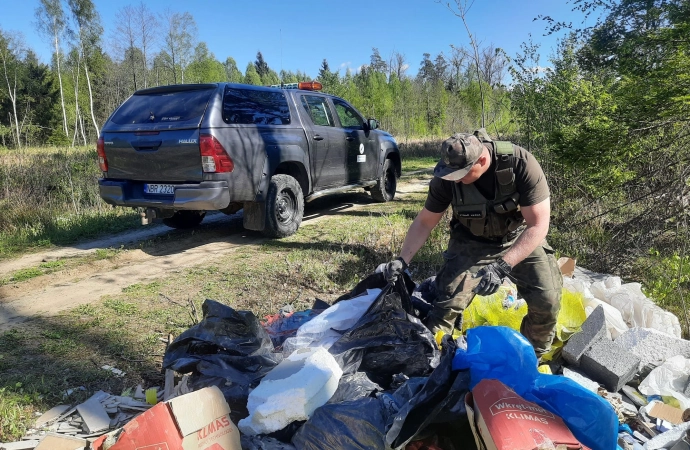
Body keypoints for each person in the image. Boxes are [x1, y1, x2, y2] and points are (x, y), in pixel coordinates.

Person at [384, 130, 563, 357]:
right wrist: (403, 259)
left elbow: (538, 225)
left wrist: (502, 266)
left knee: (547, 301)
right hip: (470, 240)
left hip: (519, 237)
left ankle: (529, 360)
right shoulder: (447, 177)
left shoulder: (520, 164)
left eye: (461, 173)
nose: (455, 179)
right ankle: (431, 362)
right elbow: (424, 222)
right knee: (446, 305)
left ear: (482, 160)